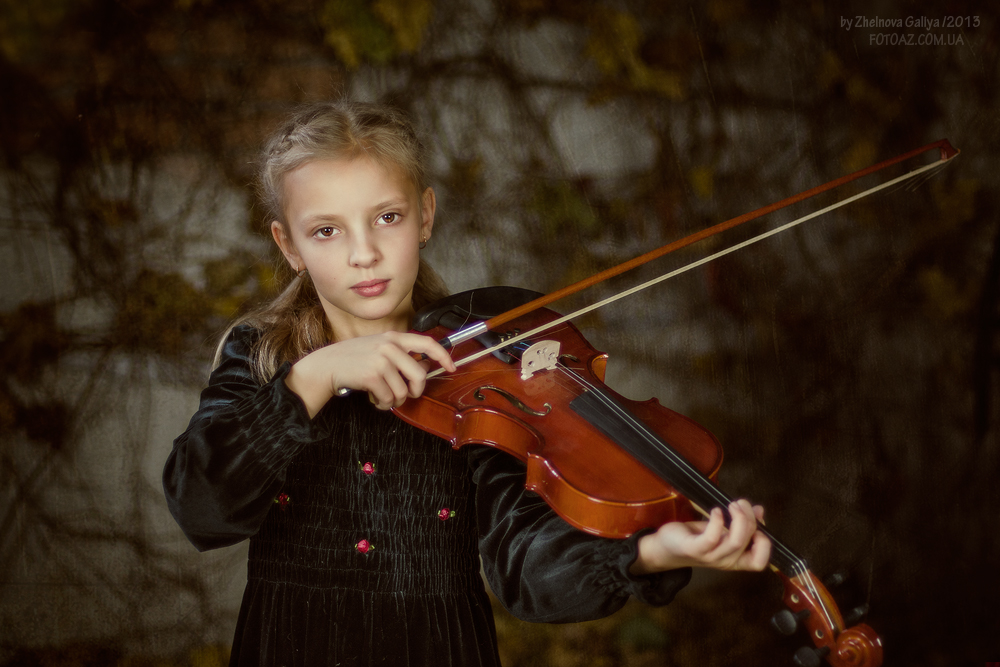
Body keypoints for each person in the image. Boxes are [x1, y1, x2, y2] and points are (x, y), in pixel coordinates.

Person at [162, 100, 771, 666]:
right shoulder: (264, 355)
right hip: (292, 643)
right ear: (287, 244)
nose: (364, 253)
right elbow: (201, 509)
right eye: (327, 230)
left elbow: (525, 570)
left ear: (425, 215)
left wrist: (647, 554)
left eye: (387, 217)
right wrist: (314, 376)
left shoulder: (486, 370)